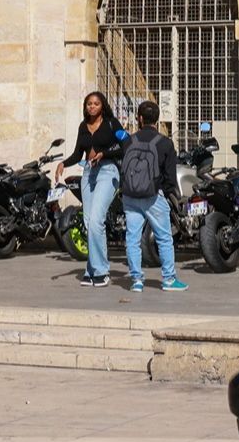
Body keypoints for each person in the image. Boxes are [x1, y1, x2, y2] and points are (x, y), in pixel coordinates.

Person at [118, 100, 188, 293]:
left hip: (130, 196)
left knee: (132, 238)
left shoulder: (128, 141)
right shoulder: (165, 143)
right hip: (153, 197)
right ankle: (169, 279)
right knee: (164, 237)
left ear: (139, 118)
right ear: (157, 119)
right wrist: (165, 193)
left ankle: (136, 281)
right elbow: (170, 177)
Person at [57, 91, 125, 286]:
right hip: (88, 173)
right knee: (88, 222)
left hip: (107, 172)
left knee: (96, 220)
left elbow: (125, 144)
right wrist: (64, 163)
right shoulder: (82, 126)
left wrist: (104, 153)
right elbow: (79, 153)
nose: (92, 107)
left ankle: (101, 271)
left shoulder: (112, 124)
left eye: (96, 103)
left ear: (102, 105)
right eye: (89, 104)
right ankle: (91, 268)